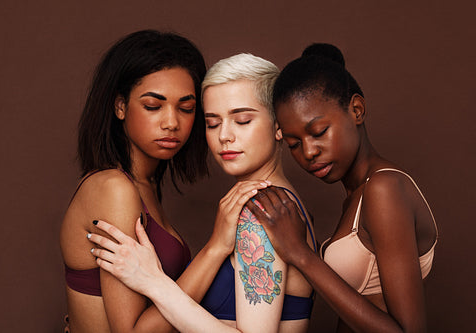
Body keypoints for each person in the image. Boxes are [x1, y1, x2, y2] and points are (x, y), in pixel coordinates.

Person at [88, 53, 317, 332]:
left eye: (242, 120)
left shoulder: (261, 213)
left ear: (279, 124)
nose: (224, 136)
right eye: (212, 123)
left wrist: (153, 281)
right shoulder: (282, 200)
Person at [60, 30, 269, 333]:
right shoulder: (114, 189)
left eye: (186, 108)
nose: (172, 122)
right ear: (120, 106)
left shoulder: (143, 186)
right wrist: (216, 247)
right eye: (153, 106)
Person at [246, 44, 439, 333]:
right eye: (294, 143)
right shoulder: (357, 196)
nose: (308, 152)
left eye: (319, 132)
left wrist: (301, 253)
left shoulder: (384, 188)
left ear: (356, 110)